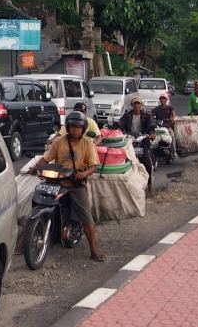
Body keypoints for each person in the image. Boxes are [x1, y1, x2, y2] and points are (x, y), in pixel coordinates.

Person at [35, 111, 105, 261]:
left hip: (75, 184)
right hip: (57, 181)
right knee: (36, 203)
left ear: (83, 129)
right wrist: (36, 167)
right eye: (71, 126)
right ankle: (24, 241)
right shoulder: (58, 142)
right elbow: (46, 159)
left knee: (87, 217)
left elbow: (94, 166)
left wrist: (84, 174)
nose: (74, 129)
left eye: (78, 127)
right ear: (67, 127)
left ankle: (93, 250)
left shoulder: (88, 144)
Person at [118, 97, 155, 162]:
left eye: (138, 103)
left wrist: (151, 134)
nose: (136, 105)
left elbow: (150, 127)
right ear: (132, 105)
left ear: (141, 105)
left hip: (143, 140)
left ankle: (149, 170)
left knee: (147, 159)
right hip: (129, 139)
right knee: (123, 158)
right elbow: (121, 126)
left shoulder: (147, 116)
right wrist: (119, 132)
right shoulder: (126, 116)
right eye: (134, 103)